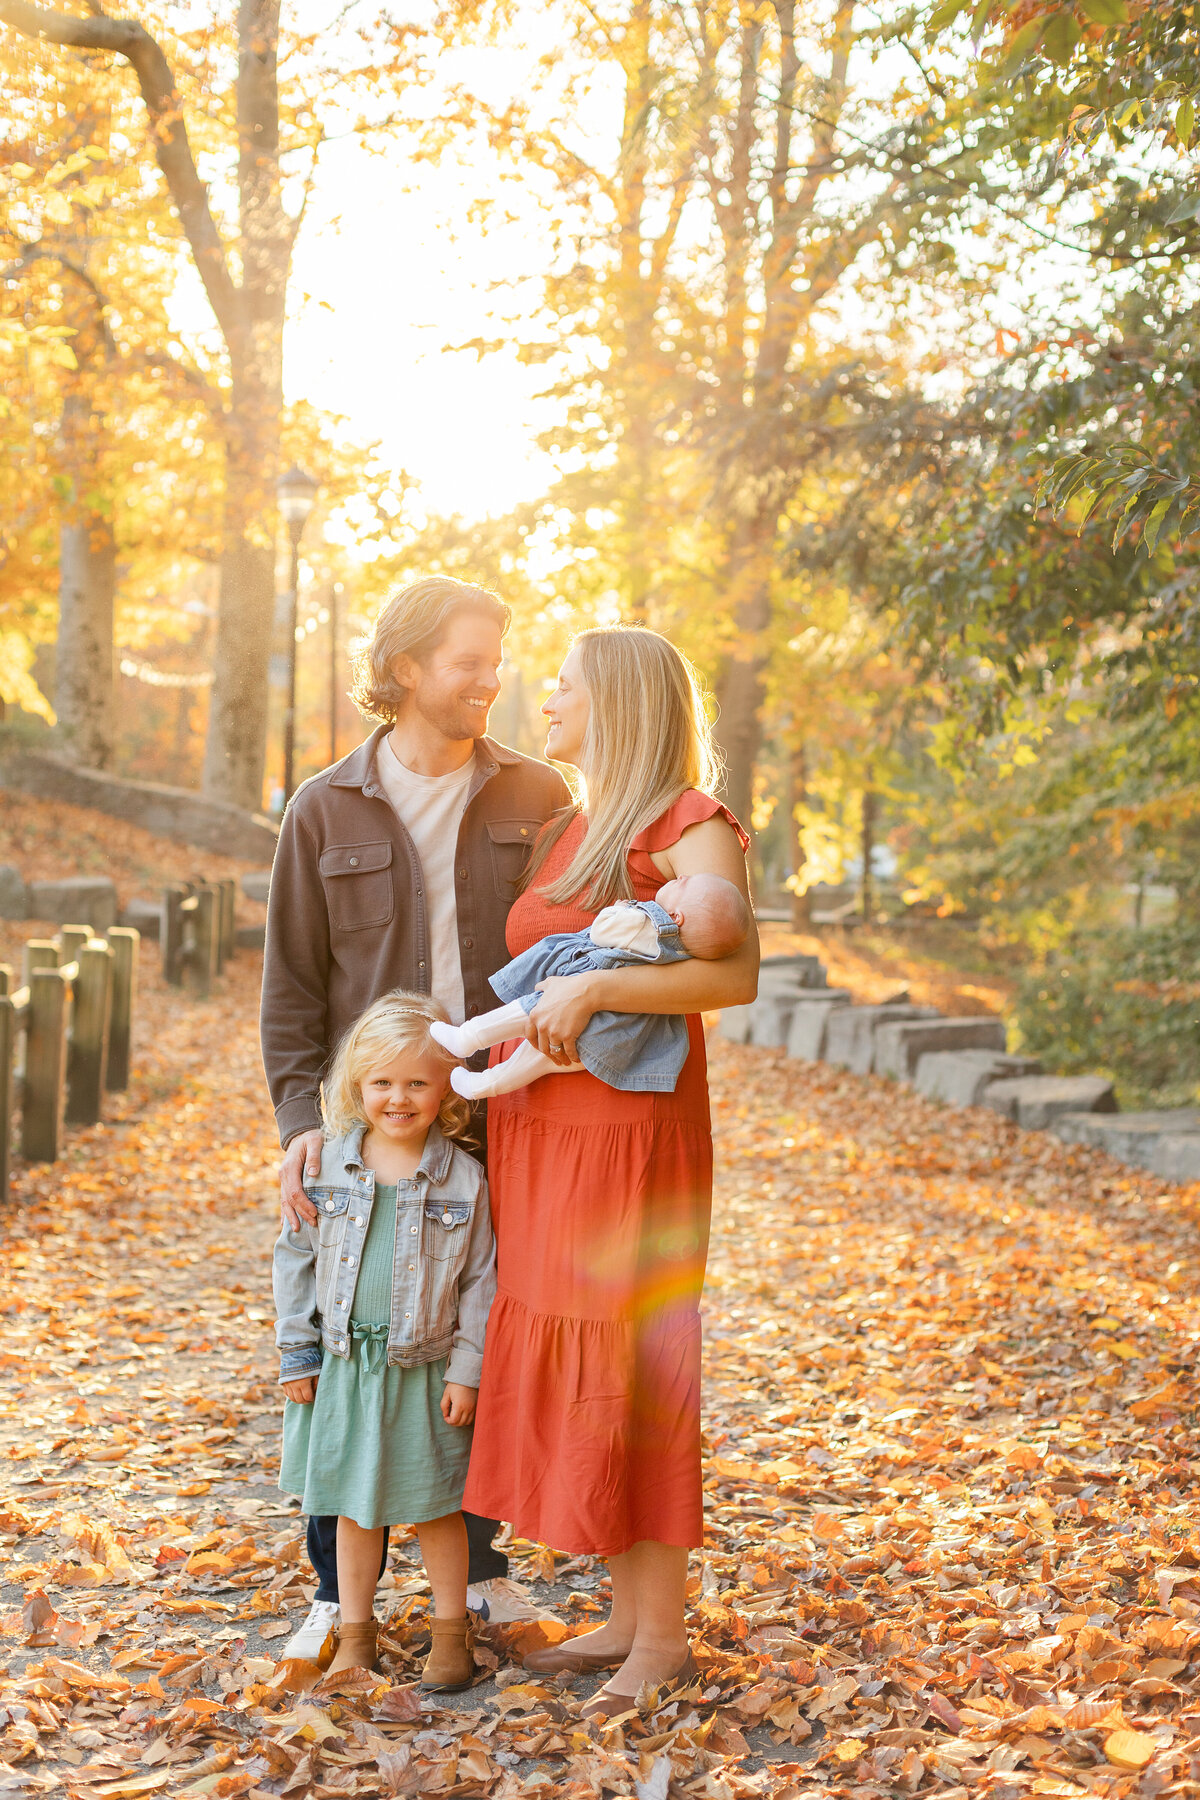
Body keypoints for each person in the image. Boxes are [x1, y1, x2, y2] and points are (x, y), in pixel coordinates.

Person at [261, 574, 571, 1660]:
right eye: (469, 662)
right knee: (350, 1328)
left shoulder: (540, 796)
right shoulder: (324, 807)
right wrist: (303, 1116)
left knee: (476, 1327)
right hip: (371, 1121)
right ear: (404, 670)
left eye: (498, 660)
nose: (492, 679)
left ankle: (479, 1573)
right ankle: (328, 1592)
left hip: (502, 1109)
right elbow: (293, 986)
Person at [460, 625, 759, 1719]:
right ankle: (628, 1617)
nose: (545, 696)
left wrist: (596, 996)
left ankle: (664, 1634)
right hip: (547, 1126)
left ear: (619, 703)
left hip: (628, 1136)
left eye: (565, 684)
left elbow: (734, 976)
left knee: (633, 1358)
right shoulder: (580, 825)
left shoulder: (689, 820)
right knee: (582, 1348)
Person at [273, 992, 496, 1687]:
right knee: (352, 1508)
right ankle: (355, 1636)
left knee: (437, 1508)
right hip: (344, 1365)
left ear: (445, 1088)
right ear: (357, 1086)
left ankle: (451, 1638)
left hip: (425, 1368)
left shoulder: (464, 1176)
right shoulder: (325, 1167)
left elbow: (481, 1279)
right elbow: (296, 1258)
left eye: (417, 1082)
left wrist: (468, 1370)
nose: (398, 1098)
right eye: (382, 1083)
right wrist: (296, 1353)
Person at [431, 875, 749, 1099]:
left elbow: (602, 931)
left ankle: (466, 1037)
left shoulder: (649, 924)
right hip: (608, 1042)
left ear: (676, 917)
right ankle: (483, 1085)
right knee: (536, 1061)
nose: (681, 878)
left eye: (684, 883)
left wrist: (621, 909)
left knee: (526, 1011)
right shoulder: (678, 954)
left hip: (580, 1013)